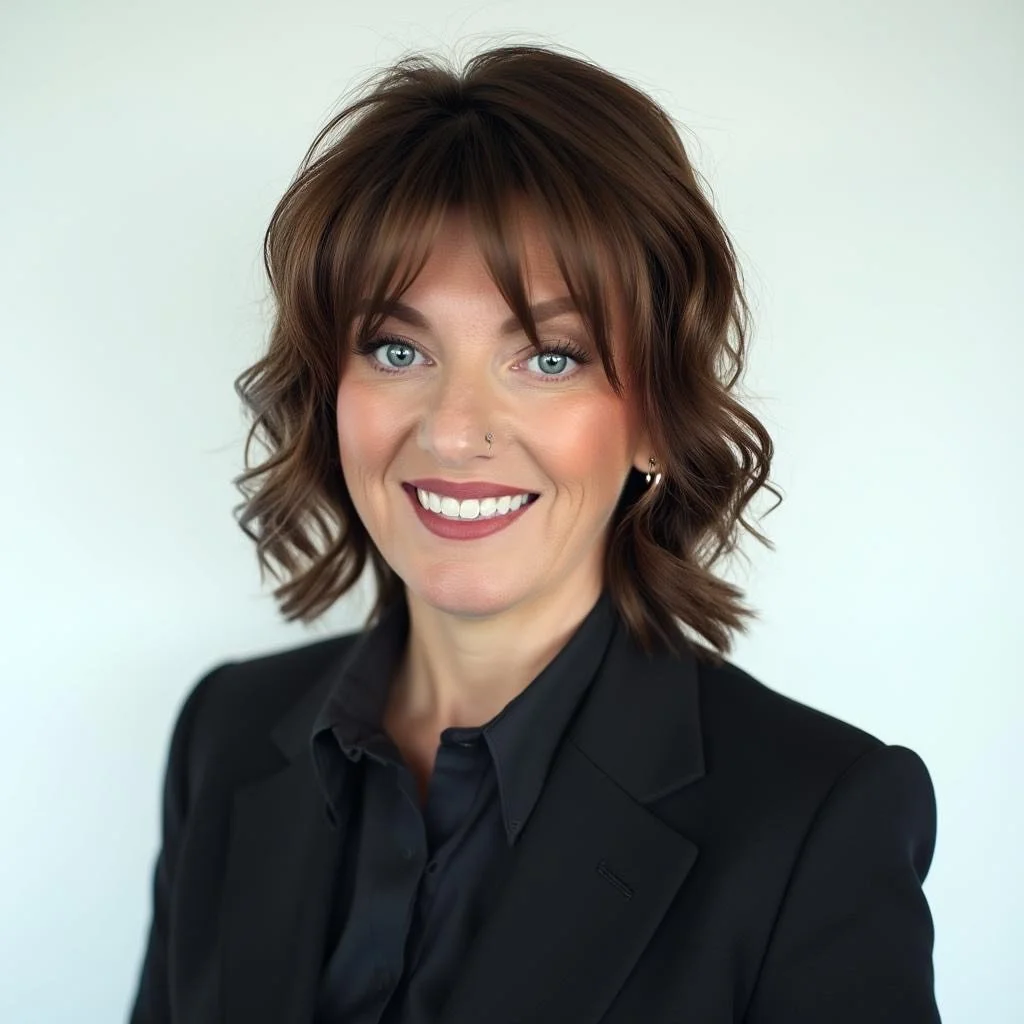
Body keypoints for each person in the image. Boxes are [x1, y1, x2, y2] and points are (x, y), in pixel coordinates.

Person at [128, 42, 940, 1024]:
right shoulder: (222, 735)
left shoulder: (816, 819)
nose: (454, 428)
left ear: (653, 415)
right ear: (328, 393)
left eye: (548, 357)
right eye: (397, 348)